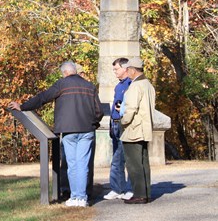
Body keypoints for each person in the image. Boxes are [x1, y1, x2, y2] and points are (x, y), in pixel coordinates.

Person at [10, 61, 103, 207]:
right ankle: (82, 198)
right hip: (87, 130)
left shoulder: (61, 84)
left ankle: (75, 197)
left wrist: (22, 106)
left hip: (69, 130)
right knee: (83, 164)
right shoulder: (90, 86)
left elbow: (43, 98)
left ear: (65, 73)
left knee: (72, 164)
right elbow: (99, 111)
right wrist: (93, 123)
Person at [120, 57, 155, 204]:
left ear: (133, 70)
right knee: (143, 162)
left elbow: (131, 109)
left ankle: (139, 194)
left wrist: (122, 121)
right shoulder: (148, 84)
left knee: (133, 163)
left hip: (134, 129)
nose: (126, 72)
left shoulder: (135, 86)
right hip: (144, 128)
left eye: (128, 69)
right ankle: (145, 192)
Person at [103, 57, 134, 200]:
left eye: (116, 69)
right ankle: (118, 189)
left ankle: (127, 189)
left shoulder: (131, 85)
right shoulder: (119, 86)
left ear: (125, 68)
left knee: (122, 158)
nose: (115, 72)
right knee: (117, 157)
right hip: (115, 123)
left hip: (124, 124)